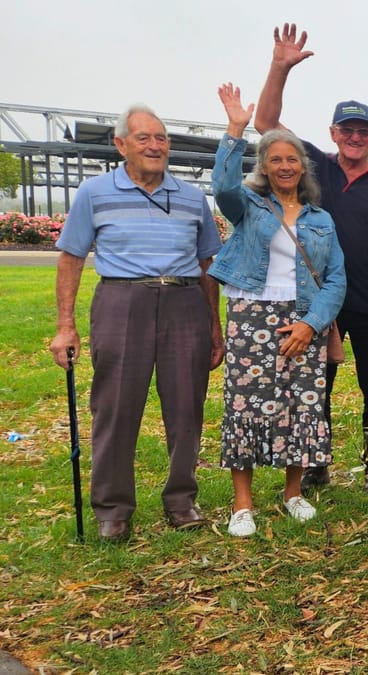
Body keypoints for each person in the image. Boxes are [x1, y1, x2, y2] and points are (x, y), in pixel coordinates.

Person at [49, 104, 223, 543]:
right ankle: (112, 508)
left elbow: (207, 264)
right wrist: (65, 326)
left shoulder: (190, 196)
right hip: (121, 300)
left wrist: (214, 327)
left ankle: (182, 500)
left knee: (186, 407)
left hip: (185, 301)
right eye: (144, 138)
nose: (155, 146)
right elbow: (71, 258)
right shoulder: (94, 192)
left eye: (161, 138)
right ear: (121, 144)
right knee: (115, 407)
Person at [254, 23, 368, 493]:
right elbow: (266, 124)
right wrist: (280, 68)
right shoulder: (314, 164)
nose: (354, 137)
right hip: (320, 304)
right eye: (347, 129)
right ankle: (315, 463)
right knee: (316, 387)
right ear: (333, 133)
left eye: (362, 130)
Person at [210, 83, 346, 537]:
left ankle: (293, 493)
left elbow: (337, 279)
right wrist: (234, 131)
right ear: (264, 167)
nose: (285, 166)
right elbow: (222, 187)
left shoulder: (320, 219)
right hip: (251, 314)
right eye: (276, 160)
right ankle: (242, 503)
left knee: (302, 403)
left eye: (292, 160)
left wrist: (312, 324)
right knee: (246, 405)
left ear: (302, 167)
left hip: (301, 316)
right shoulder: (248, 205)